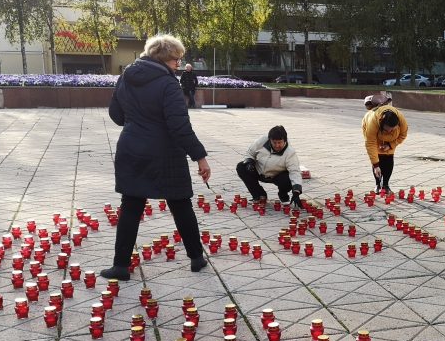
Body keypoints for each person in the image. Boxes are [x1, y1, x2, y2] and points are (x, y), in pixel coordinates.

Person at [101, 34, 211, 280]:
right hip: (166, 154)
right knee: (180, 204)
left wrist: (137, 124)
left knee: (130, 206)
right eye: (176, 59)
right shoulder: (168, 84)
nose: (178, 64)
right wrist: (200, 157)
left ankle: (120, 266)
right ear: (164, 59)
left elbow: (116, 114)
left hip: (131, 150)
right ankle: (196, 258)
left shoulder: (126, 77)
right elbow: (179, 127)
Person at [236, 125, 303, 207]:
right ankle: (259, 195)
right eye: (274, 142)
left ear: (284, 140)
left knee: (288, 179)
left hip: (277, 176)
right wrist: (249, 162)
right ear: (270, 139)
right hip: (259, 171)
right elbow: (250, 152)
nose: (277, 145)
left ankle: (283, 195)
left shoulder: (290, 152)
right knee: (241, 167)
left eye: (279, 142)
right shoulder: (263, 140)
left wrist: (296, 192)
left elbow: (295, 172)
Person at [362, 104, 407, 194]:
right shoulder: (372, 121)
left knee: (388, 157)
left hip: (392, 139)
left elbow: (403, 135)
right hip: (374, 135)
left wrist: (390, 145)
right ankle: (378, 184)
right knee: (377, 156)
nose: (389, 131)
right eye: (387, 130)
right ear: (381, 124)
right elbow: (370, 143)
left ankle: (385, 184)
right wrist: (375, 165)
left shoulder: (401, 119)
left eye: (392, 129)